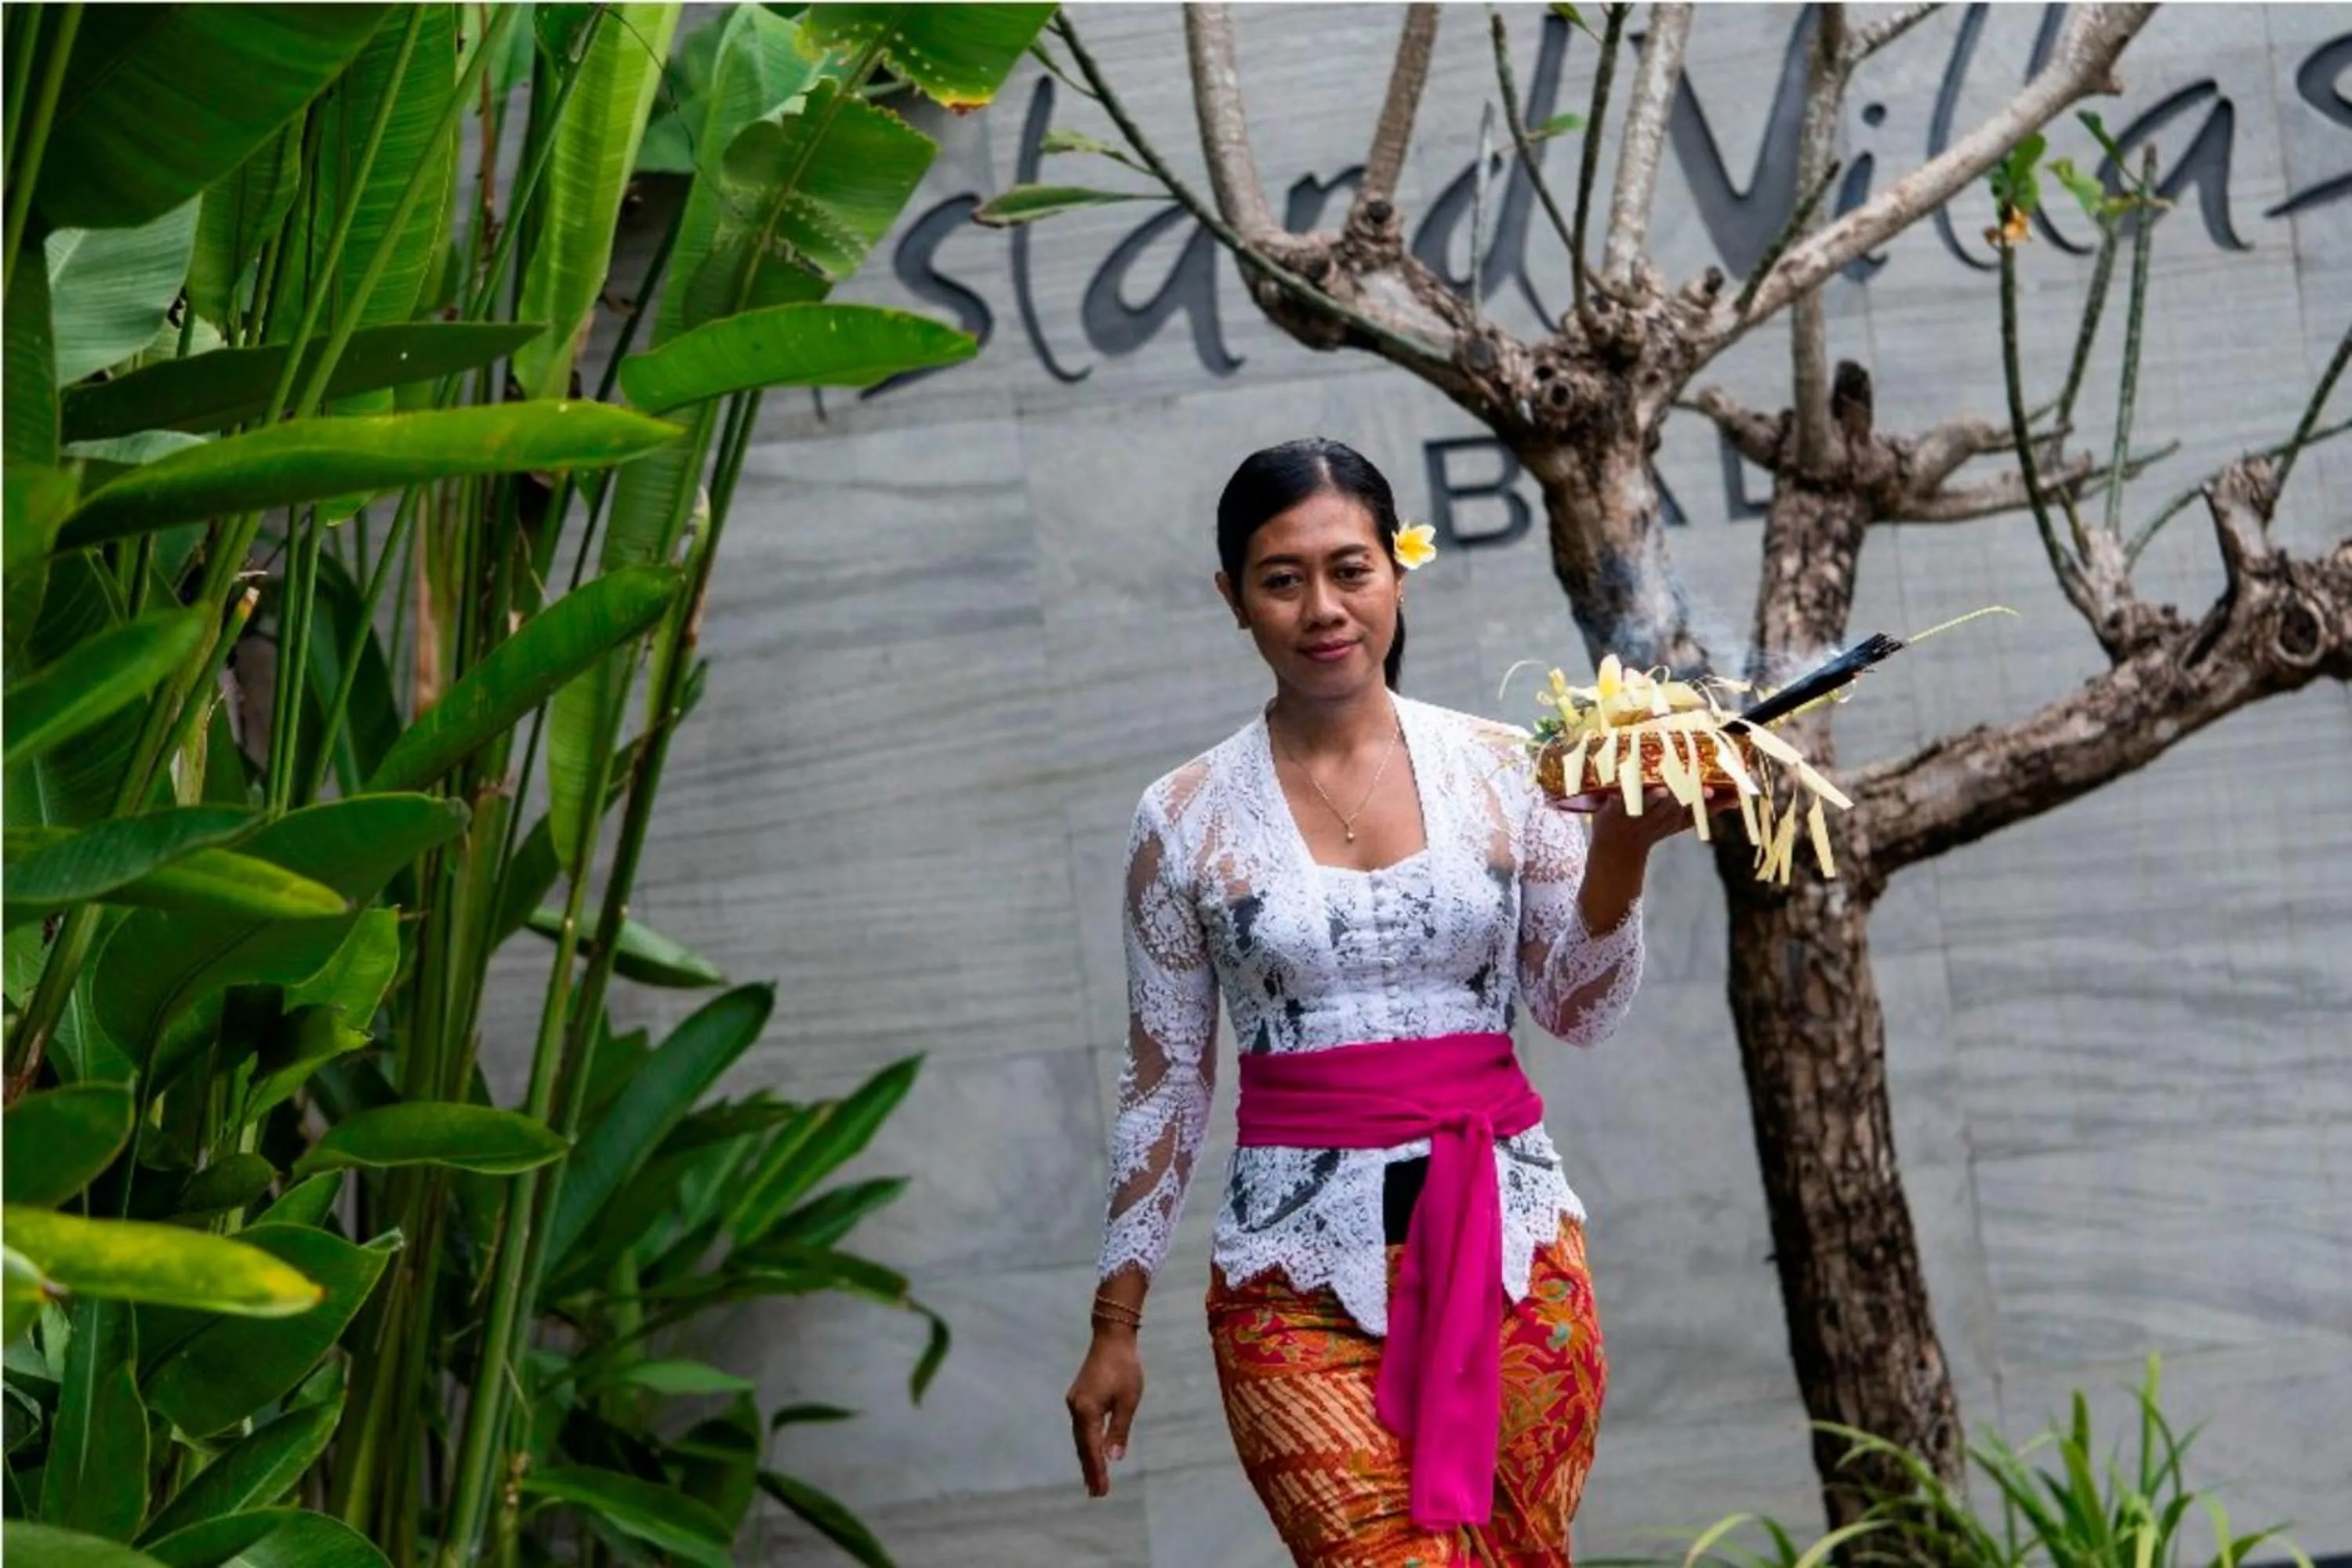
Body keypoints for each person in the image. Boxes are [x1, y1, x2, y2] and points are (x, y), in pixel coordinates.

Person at [1065, 437, 1713, 1566]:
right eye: (1282, 578)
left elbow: (1578, 1009)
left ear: (1398, 573)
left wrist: (1620, 849)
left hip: (1517, 1256)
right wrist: (1115, 1324)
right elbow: (1165, 1081)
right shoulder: (1181, 819)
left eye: (1351, 569)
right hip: (1288, 1277)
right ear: (1235, 600)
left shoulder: (1514, 769)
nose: (1323, 607)